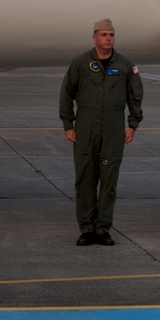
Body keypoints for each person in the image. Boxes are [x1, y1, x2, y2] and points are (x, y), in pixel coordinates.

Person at [59, 18, 143, 246]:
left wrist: (133, 125)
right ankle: (86, 229)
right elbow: (67, 94)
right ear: (94, 37)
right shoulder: (80, 63)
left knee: (108, 183)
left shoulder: (125, 65)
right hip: (85, 132)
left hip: (113, 133)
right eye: (104, 35)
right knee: (85, 181)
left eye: (111, 35)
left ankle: (103, 229)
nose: (108, 38)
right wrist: (68, 124)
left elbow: (135, 97)